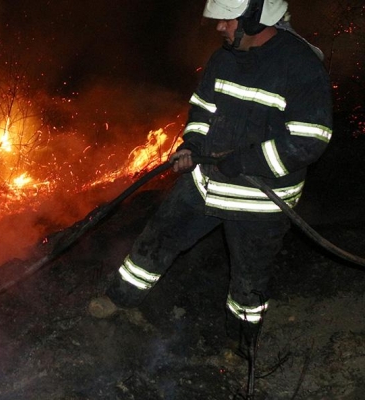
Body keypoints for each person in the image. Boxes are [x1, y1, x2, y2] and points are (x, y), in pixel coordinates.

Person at [91, 0, 332, 353]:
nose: (219, 27)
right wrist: (191, 143)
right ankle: (119, 298)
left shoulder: (301, 66)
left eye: (227, 20)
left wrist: (247, 161)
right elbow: (202, 108)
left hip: (260, 202)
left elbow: (310, 139)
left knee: (248, 285)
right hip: (205, 184)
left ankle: (241, 347)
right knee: (156, 239)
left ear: (254, 18)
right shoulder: (223, 59)